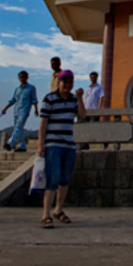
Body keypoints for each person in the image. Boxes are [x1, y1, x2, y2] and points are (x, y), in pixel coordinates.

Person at [38, 69, 85, 229]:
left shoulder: (73, 99)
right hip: (53, 144)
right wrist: (40, 144)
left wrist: (79, 98)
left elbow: (82, 116)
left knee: (65, 179)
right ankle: (46, 214)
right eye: (65, 81)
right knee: (53, 178)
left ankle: (58, 209)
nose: (67, 84)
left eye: (70, 82)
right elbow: (43, 122)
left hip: (69, 145)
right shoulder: (49, 99)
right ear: (59, 82)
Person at [0, 71, 37, 152]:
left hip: (25, 110)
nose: (22, 78)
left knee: (18, 127)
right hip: (16, 111)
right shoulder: (17, 89)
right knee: (19, 128)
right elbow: (13, 100)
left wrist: (36, 110)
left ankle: (10, 143)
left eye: (24, 76)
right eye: (21, 77)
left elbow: (34, 100)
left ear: (27, 77)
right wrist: (5, 108)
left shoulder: (31, 88)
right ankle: (22, 145)